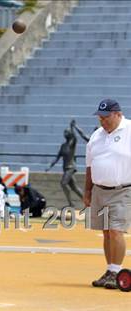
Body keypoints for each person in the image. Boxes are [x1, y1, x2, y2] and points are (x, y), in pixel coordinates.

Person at [84, 99, 131, 290]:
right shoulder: (96, 136)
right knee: (106, 232)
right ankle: (110, 270)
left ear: (118, 114)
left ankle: (116, 271)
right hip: (100, 190)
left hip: (123, 189)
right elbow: (89, 166)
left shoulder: (129, 130)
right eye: (100, 117)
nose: (102, 121)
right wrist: (87, 191)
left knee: (116, 230)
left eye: (106, 117)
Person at [46, 120, 83, 207]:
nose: (65, 133)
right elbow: (57, 157)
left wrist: (73, 127)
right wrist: (50, 166)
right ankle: (88, 202)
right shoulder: (63, 146)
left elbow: (75, 136)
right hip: (65, 168)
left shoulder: (72, 143)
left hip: (71, 167)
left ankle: (71, 204)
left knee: (63, 183)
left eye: (67, 132)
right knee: (75, 188)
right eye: (64, 132)